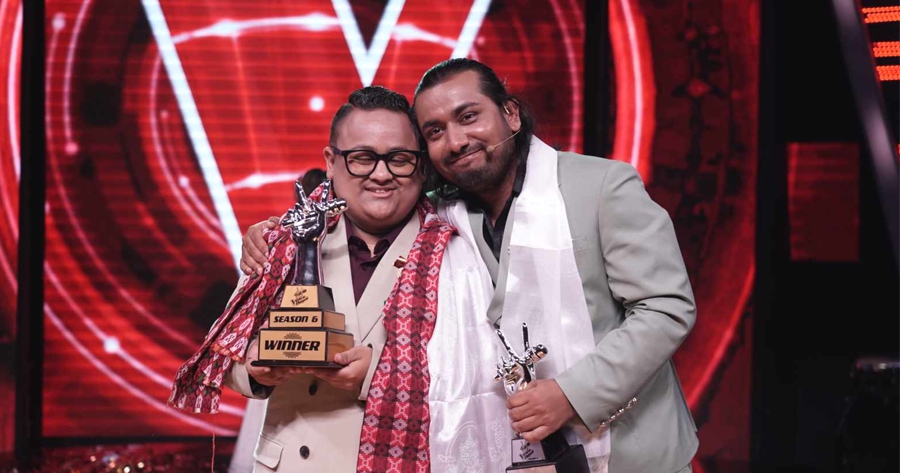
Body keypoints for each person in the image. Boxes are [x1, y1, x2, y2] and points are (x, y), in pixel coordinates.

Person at [242, 59, 699, 473]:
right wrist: (273, 232)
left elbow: (666, 309)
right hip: (514, 453)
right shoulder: (442, 213)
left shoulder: (601, 186)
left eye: (468, 116)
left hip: (629, 453)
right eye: (435, 131)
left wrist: (573, 395)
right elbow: (357, 192)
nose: (456, 141)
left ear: (511, 114)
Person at [169, 85, 456, 473]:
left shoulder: (453, 245)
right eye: (362, 158)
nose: (381, 174)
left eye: (399, 159)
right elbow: (228, 353)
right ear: (331, 162)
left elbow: (476, 368)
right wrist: (255, 368)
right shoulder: (282, 242)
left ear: (420, 166)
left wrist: (376, 373)